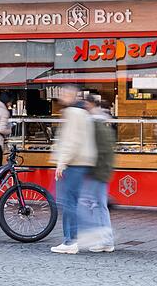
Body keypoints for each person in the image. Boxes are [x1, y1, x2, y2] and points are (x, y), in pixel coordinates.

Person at [50, 86, 96, 255]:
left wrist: (62, 163)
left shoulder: (72, 112)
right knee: (72, 201)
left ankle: (70, 241)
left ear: (70, 95)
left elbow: (71, 141)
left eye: (63, 94)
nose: (61, 97)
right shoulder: (83, 113)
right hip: (83, 161)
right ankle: (72, 239)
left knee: (68, 202)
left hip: (73, 162)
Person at [78, 96, 116, 253]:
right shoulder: (104, 121)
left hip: (97, 171)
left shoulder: (93, 123)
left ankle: (101, 238)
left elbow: (93, 149)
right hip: (103, 169)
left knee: (87, 204)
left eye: (86, 104)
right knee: (99, 205)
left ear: (91, 104)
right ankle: (107, 240)